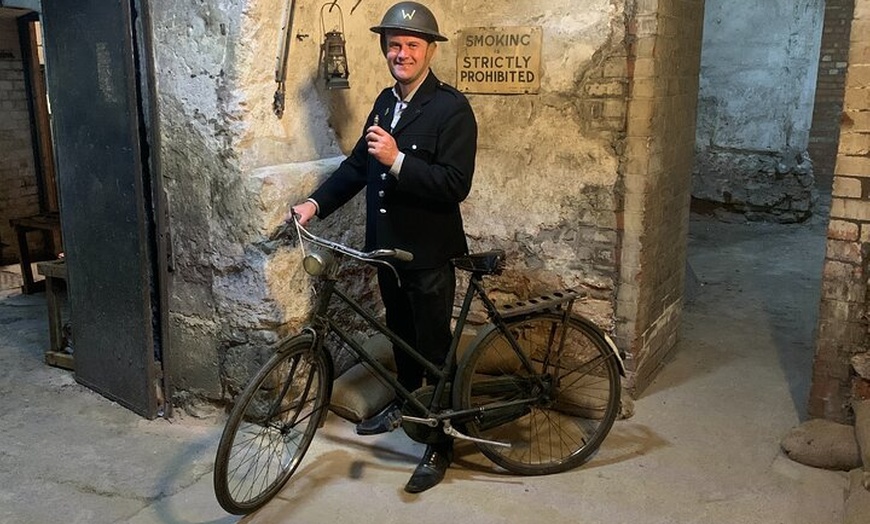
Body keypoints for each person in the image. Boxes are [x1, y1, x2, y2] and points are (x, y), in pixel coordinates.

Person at [288, 2, 477, 493]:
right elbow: (356, 168)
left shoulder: (451, 108)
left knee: (434, 347)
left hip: (429, 252)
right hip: (388, 252)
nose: (402, 52)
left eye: (412, 44)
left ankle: (440, 442)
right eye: (394, 44)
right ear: (385, 49)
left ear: (430, 50)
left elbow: (455, 184)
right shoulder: (384, 102)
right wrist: (314, 204)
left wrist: (396, 161)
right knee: (401, 336)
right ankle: (406, 401)